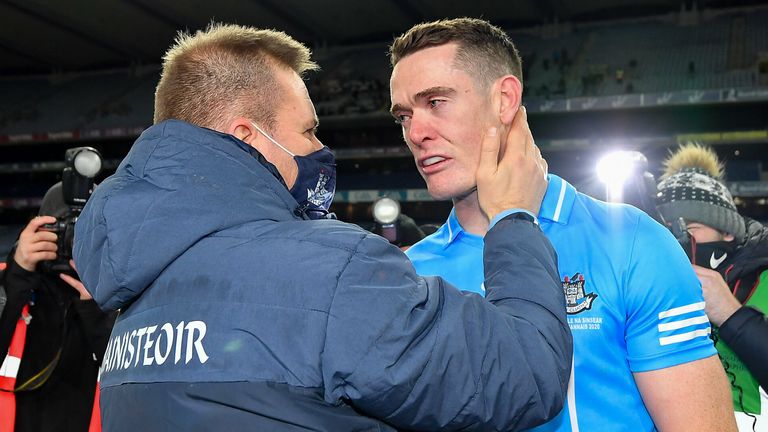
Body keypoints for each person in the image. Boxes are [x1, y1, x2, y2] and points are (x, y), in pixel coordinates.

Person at [73, 23, 572, 431]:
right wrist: (512, 217)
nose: (318, 149)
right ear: (249, 136)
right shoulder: (333, 272)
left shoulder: (132, 305)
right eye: (309, 130)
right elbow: (525, 374)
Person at [389, 18, 736, 432]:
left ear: (504, 99)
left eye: (436, 102)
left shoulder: (632, 242)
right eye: (404, 116)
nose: (417, 132)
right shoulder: (409, 274)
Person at [657, 143, 768, 431]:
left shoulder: (764, 278)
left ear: (726, 231)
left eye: (688, 228)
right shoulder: (654, 277)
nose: (678, 241)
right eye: (667, 230)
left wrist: (732, 315)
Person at [0, 183, 116, 431]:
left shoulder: (121, 295)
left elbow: (135, 383)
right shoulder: (8, 282)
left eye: (89, 231)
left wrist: (99, 309)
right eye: (66, 228)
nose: (74, 241)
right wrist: (17, 275)